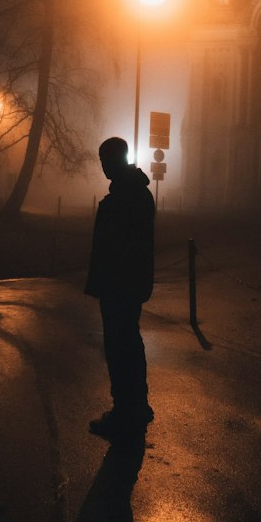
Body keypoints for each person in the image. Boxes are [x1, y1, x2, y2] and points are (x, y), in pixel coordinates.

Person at [84, 137, 155, 438]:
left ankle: (125, 411)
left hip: (119, 285)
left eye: (105, 160)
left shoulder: (124, 198)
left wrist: (108, 281)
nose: (102, 166)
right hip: (129, 283)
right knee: (130, 344)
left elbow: (118, 247)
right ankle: (137, 405)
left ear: (116, 159)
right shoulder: (137, 194)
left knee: (119, 347)